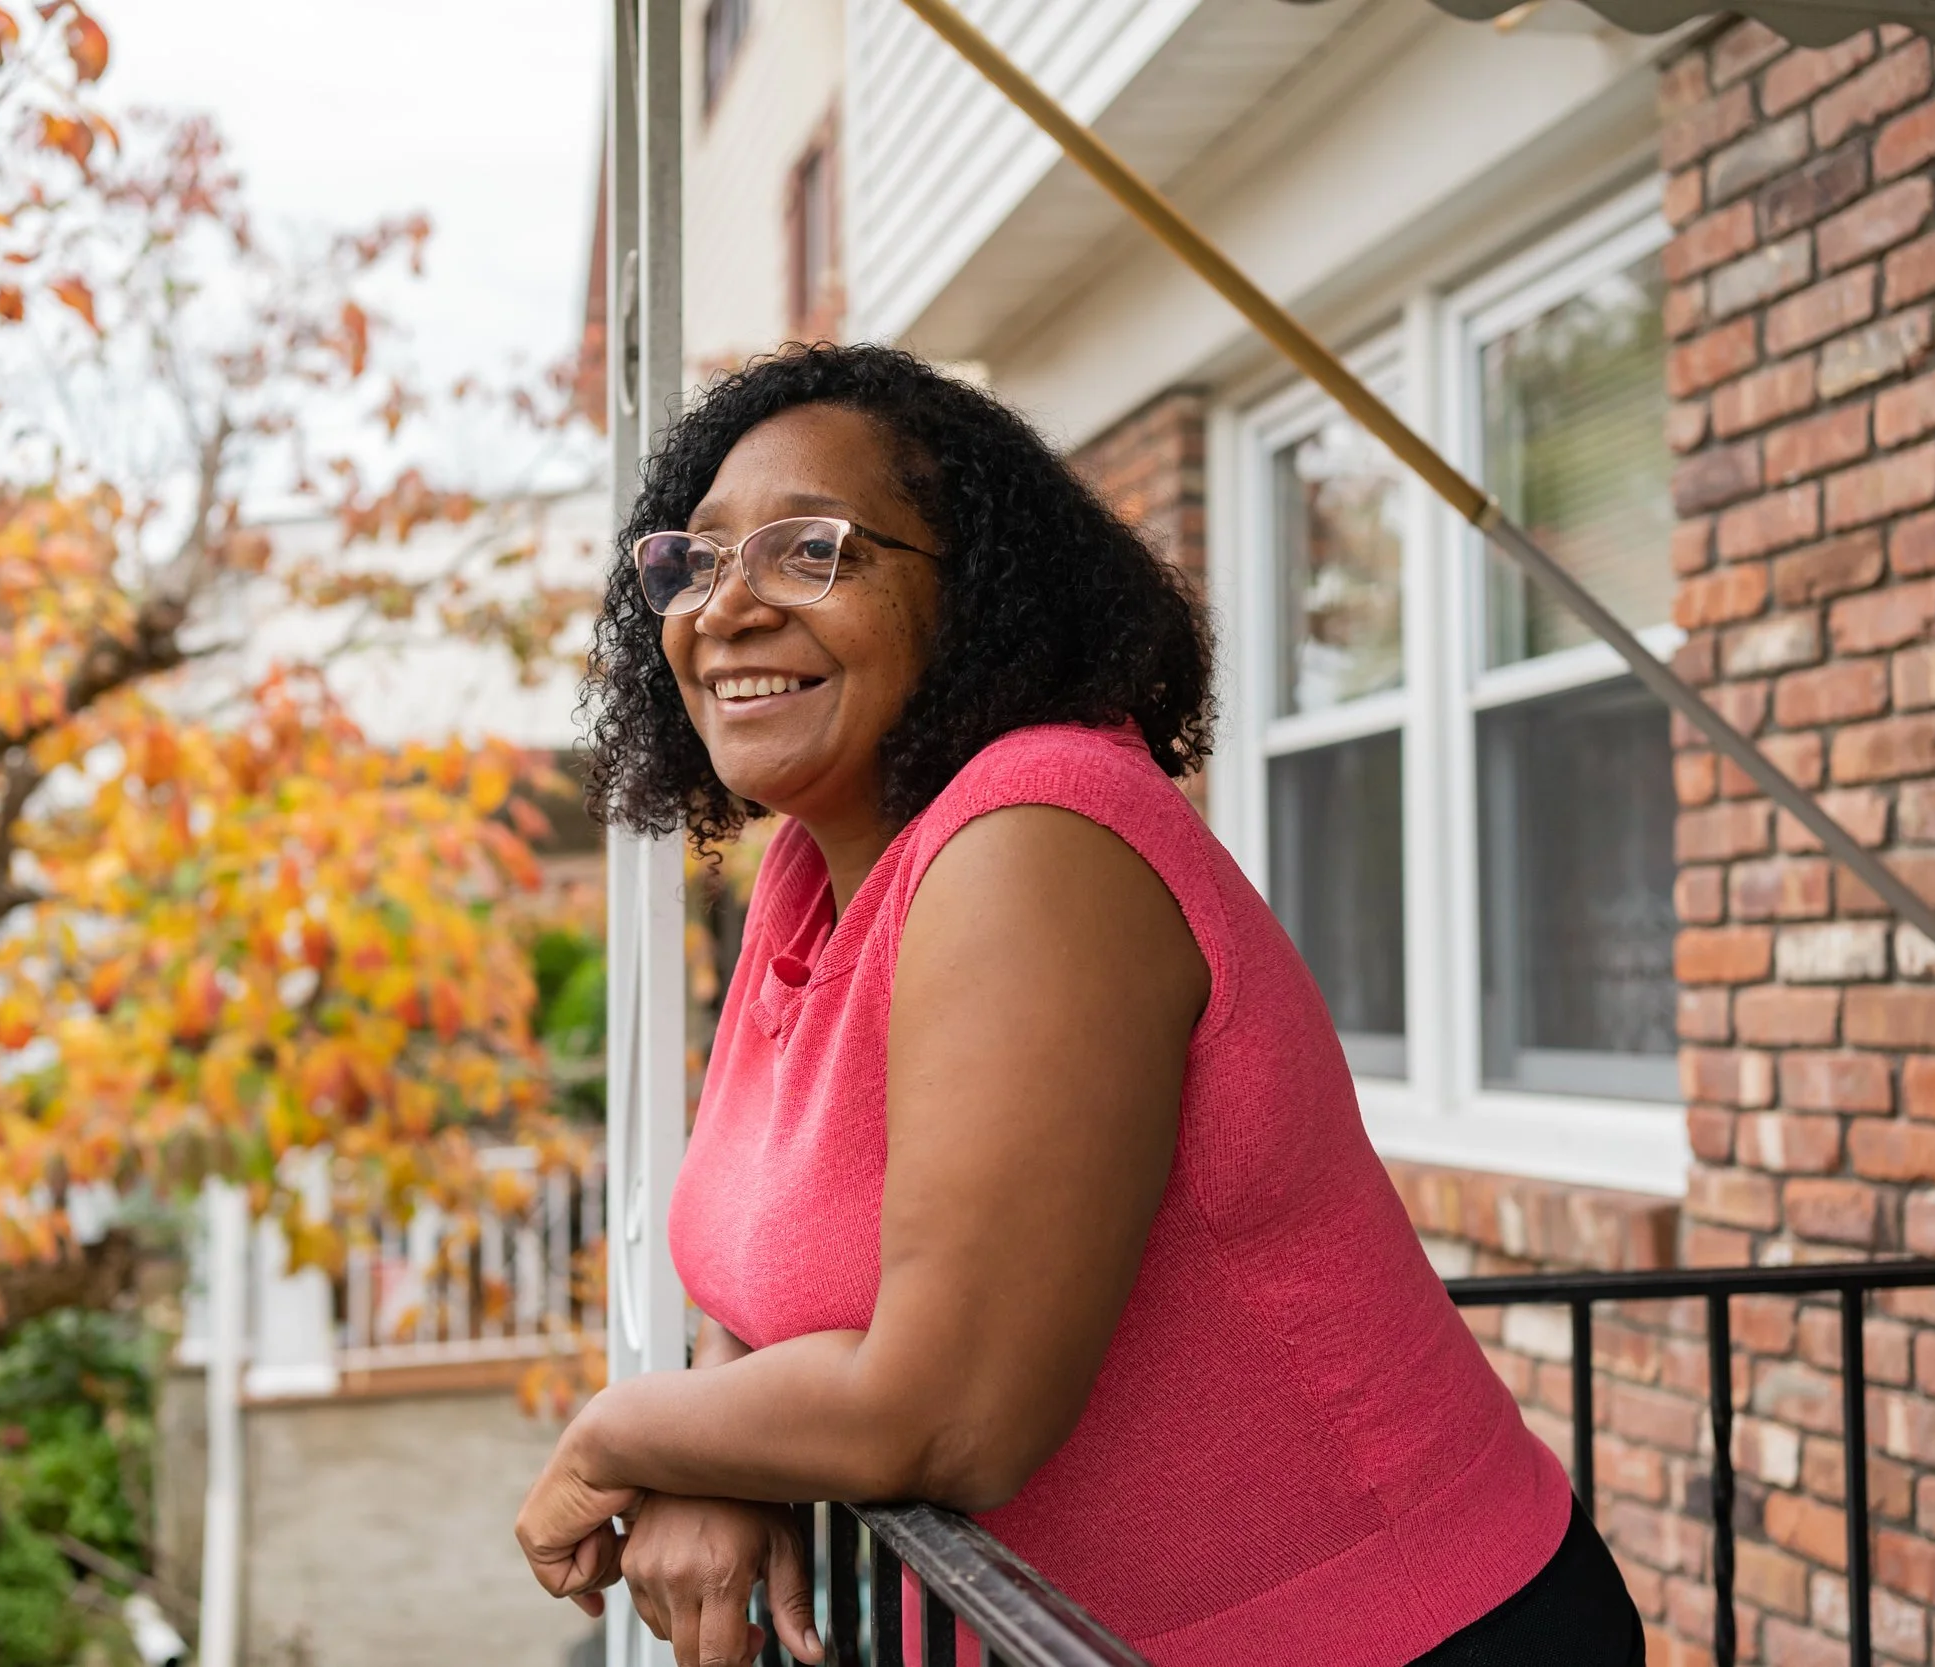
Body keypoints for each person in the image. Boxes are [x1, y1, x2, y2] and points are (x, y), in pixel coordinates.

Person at [517, 344, 1644, 1667]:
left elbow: (953, 1414)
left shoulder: (1036, 834)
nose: (728, 606)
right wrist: (727, 1455)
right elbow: (772, 1271)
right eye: (695, 562)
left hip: (1406, 1633)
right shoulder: (811, 878)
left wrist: (623, 1432)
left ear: (977, 594)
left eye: (810, 551)